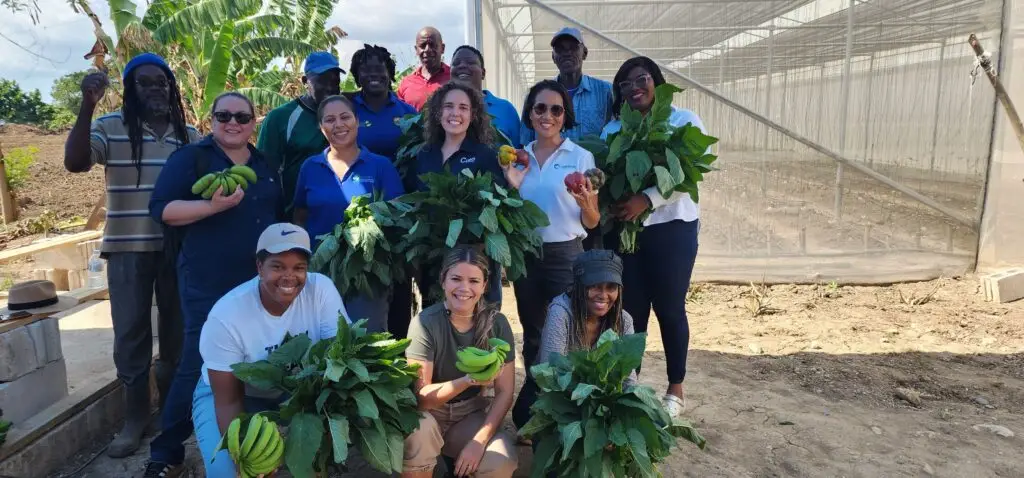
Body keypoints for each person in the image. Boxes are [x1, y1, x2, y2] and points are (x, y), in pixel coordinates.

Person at [62, 52, 196, 458]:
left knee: (176, 334)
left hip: (175, 249)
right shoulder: (110, 127)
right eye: (145, 82)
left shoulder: (188, 135)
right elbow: (75, 162)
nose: (155, 89)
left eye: (162, 82)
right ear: (130, 90)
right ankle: (135, 418)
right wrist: (87, 106)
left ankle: (169, 413)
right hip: (126, 248)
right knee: (130, 334)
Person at [144, 91, 282, 477]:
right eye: (224, 116)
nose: (233, 123)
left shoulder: (264, 164)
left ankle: (247, 439)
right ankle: (167, 451)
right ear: (212, 120)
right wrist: (211, 207)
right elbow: (162, 209)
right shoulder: (193, 159)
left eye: (242, 117)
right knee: (197, 361)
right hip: (208, 280)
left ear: (253, 122)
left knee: (252, 357)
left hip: (257, 283)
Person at [193, 223, 350, 478]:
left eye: (298, 267)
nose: (289, 276)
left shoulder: (320, 291)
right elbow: (228, 401)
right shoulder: (227, 316)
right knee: (230, 472)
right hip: (233, 394)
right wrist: (245, 456)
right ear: (259, 267)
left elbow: (339, 360)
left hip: (293, 394)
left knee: (311, 465)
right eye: (277, 266)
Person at [602, 56, 707, 418]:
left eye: (641, 79)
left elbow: (690, 173)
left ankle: (675, 388)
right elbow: (606, 173)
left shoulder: (683, 121)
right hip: (629, 232)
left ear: (657, 82)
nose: (634, 88)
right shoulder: (614, 130)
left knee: (670, 307)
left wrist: (646, 199)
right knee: (630, 310)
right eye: (625, 84)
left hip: (673, 229)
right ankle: (630, 383)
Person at [501, 80, 598, 370]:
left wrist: (586, 204)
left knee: (568, 327)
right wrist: (512, 185)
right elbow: (511, 212)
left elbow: (592, 221)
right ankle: (535, 389)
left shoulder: (580, 157)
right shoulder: (518, 158)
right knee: (532, 329)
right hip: (526, 255)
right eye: (540, 108)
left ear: (565, 116)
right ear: (530, 114)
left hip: (566, 255)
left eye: (556, 110)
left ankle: (566, 392)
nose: (548, 116)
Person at [402, 246, 518, 478]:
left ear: (485, 286)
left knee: (500, 462)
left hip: (469, 413)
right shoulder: (425, 323)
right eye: (456, 279)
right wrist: (467, 380)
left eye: (474, 281)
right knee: (418, 435)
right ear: (443, 281)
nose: (464, 288)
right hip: (429, 414)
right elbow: (422, 399)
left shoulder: (497, 323)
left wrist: (478, 442)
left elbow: (505, 392)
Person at [292, 95, 404, 332]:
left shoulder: (380, 166)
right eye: (330, 120)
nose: (338, 125)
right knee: (321, 338)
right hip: (320, 272)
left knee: (365, 341)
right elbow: (300, 215)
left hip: (367, 274)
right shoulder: (310, 167)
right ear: (321, 127)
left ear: (357, 121)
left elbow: (397, 214)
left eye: (345, 117)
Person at [511, 249, 635, 432]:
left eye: (611, 287)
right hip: (554, 394)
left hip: (599, 398)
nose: (603, 295)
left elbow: (629, 379)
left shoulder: (623, 321)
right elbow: (552, 373)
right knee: (530, 423)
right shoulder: (560, 312)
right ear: (579, 286)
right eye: (595, 286)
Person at [345, 43, 418, 339]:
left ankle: (400, 348)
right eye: (366, 69)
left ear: (390, 73)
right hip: (356, 210)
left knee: (399, 287)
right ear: (357, 76)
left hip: (398, 210)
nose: (374, 74)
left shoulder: (406, 112)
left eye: (381, 68)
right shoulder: (348, 109)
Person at [414, 81, 505, 305]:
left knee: (480, 319)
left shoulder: (485, 155)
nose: (455, 113)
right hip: (434, 256)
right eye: (448, 106)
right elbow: (415, 202)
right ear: (438, 112)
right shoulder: (425, 154)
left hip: (475, 258)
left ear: (473, 115)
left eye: (463, 107)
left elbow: (498, 205)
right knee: (436, 317)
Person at [523, 27, 614, 251]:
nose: (567, 53)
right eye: (560, 49)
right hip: (550, 197)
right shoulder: (540, 95)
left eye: (573, 48)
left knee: (589, 250)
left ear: (585, 53)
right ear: (553, 57)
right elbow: (525, 139)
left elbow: (620, 127)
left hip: (591, 191)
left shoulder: (605, 92)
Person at [256, 51, 343, 214]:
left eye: (335, 81)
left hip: (337, 213)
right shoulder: (281, 117)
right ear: (305, 81)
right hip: (292, 214)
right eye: (322, 81)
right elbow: (264, 169)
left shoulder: (345, 116)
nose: (330, 87)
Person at [450, 45, 521, 147]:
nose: (462, 66)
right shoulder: (441, 110)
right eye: (456, 63)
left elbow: (518, 152)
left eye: (470, 62)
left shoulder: (506, 109)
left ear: (483, 73)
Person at [397, 27, 451, 111]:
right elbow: (400, 115)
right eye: (422, 46)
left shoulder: (454, 78)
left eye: (432, 45)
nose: (427, 50)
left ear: (442, 48)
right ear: (416, 50)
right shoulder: (406, 83)